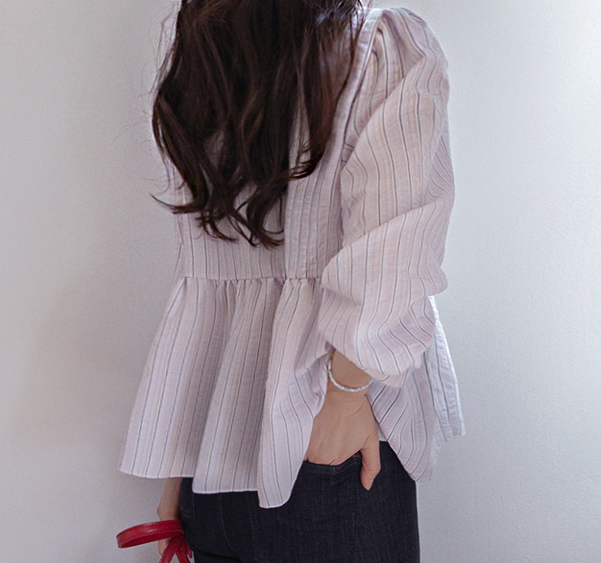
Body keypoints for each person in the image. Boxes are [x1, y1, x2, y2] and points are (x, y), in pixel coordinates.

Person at [119, 1, 465, 561]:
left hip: (212, 454)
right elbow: (395, 255)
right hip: (325, 435)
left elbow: (209, 280)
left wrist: (180, 465)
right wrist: (346, 396)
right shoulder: (378, 46)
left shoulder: (205, 52)